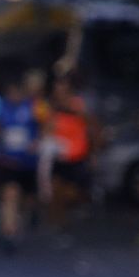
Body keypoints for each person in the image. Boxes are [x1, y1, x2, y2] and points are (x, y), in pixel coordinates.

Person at [0, 73, 41, 252]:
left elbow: (47, 126)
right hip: (8, 162)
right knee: (10, 194)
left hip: (28, 163)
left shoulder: (35, 107)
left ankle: (22, 220)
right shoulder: (2, 108)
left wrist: (37, 142)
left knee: (26, 200)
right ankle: (9, 232)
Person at [46, 73, 94, 242]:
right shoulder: (52, 106)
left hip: (77, 157)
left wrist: (93, 152)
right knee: (56, 192)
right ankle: (59, 225)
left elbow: (91, 126)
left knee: (72, 194)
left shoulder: (78, 105)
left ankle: (69, 215)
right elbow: (48, 128)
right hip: (59, 156)